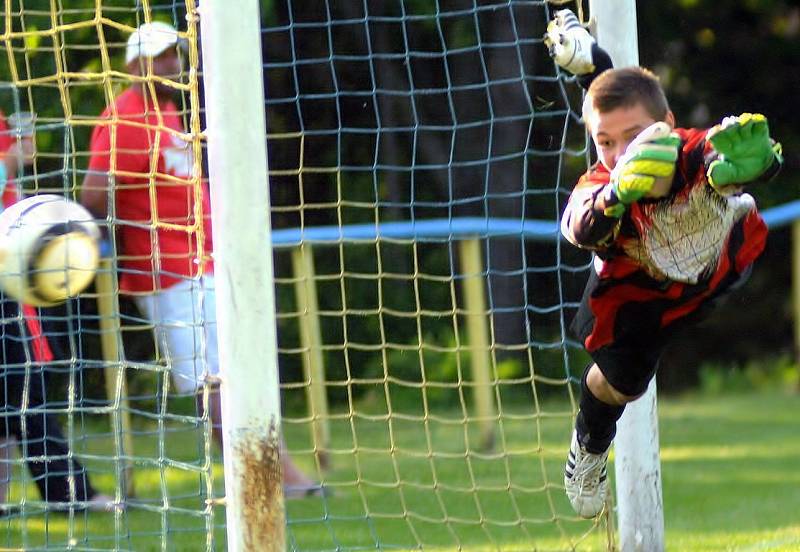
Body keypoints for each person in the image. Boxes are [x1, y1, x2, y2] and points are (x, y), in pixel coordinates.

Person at [545, 10, 783, 518]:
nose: (618, 152)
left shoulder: (690, 150)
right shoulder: (601, 182)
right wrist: (615, 194)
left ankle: (592, 64)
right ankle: (587, 447)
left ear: (667, 127)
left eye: (632, 138)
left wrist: (755, 164)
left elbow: (735, 157)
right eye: (604, 143)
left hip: (706, 271)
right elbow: (579, 227)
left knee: (729, 210)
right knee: (619, 383)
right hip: (636, 297)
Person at [79, 21, 322, 498]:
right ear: (135, 65)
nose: (173, 64)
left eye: (175, 54)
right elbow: (93, 194)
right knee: (215, 383)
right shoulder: (123, 119)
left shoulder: (169, 112)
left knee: (235, 372)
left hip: (203, 263)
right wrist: (129, 230)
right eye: (162, 56)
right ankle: (274, 478)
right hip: (168, 272)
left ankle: (267, 474)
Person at [0, 111, 114, 514]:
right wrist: (11, 158)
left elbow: (21, 160)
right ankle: (71, 494)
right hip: (7, 276)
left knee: (17, 389)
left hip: (12, 271)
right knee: (25, 387)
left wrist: (20, 147)